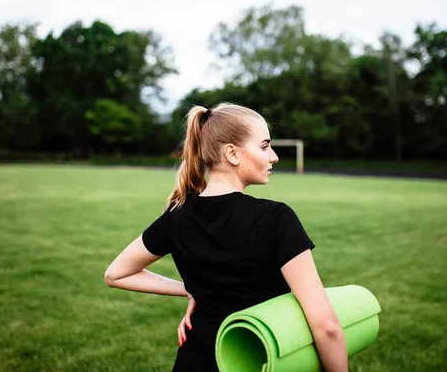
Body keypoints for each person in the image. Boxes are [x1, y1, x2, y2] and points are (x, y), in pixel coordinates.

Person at [104, 103, 348, 371]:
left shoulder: (177, 216)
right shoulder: (276, 219)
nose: (274, 156)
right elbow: (326, 327)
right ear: (232, 153)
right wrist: (191, 290)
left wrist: (189, 290)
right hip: (260, 362)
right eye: (265, 146)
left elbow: (116, 274)